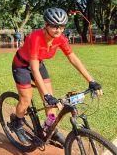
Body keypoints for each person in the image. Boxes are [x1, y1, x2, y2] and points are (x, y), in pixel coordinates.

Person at [11, 8, 103, 146]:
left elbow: (73, 58)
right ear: (46, 25)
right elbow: (34, 69)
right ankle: (16, 123)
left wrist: (92, 80)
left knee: (51, 104)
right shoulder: (36, 37)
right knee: (26, 99)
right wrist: (46, 95)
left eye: (62, 26)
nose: (58, 30)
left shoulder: (60, 38)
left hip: (38, 63)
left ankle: (49, 129)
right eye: (54, 26)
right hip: (22, 65)